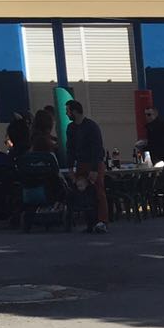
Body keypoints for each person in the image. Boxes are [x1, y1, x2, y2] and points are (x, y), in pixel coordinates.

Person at [64, 100, 108, 233]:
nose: (66, 114)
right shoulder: (71, 128)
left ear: (75, 111)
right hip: (81, 163)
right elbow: (70, 149)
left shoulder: (91, 127)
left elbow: (97, 148)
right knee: (83, 192)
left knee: (98, 191)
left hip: (93, 162)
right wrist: (70, 167)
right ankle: (90, 221)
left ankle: (102, 221)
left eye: (68, 111)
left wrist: (94, 169)